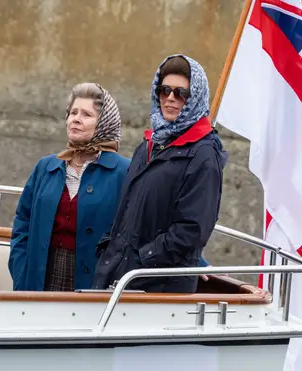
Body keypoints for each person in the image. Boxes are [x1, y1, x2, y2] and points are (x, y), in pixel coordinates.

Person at [91, 54, 228, 293]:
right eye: (164, 90)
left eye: (181, 93)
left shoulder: (204, 154)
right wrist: (108, 247)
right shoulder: (148, 146)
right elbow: (126, 211)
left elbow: (192, 231)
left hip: (158, 289)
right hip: (119, 278)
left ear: (194, 97)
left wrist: (143, 259)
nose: (171, 99)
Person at [8, 82, 130, 292]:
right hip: (40, 278)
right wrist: (21, 271)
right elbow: (22, 223)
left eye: (86, 114)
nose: (76, 119)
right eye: (73, 112)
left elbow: (144, 225)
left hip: (94, 283)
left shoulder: (123, 171)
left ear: (104, 123)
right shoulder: (46, 167)